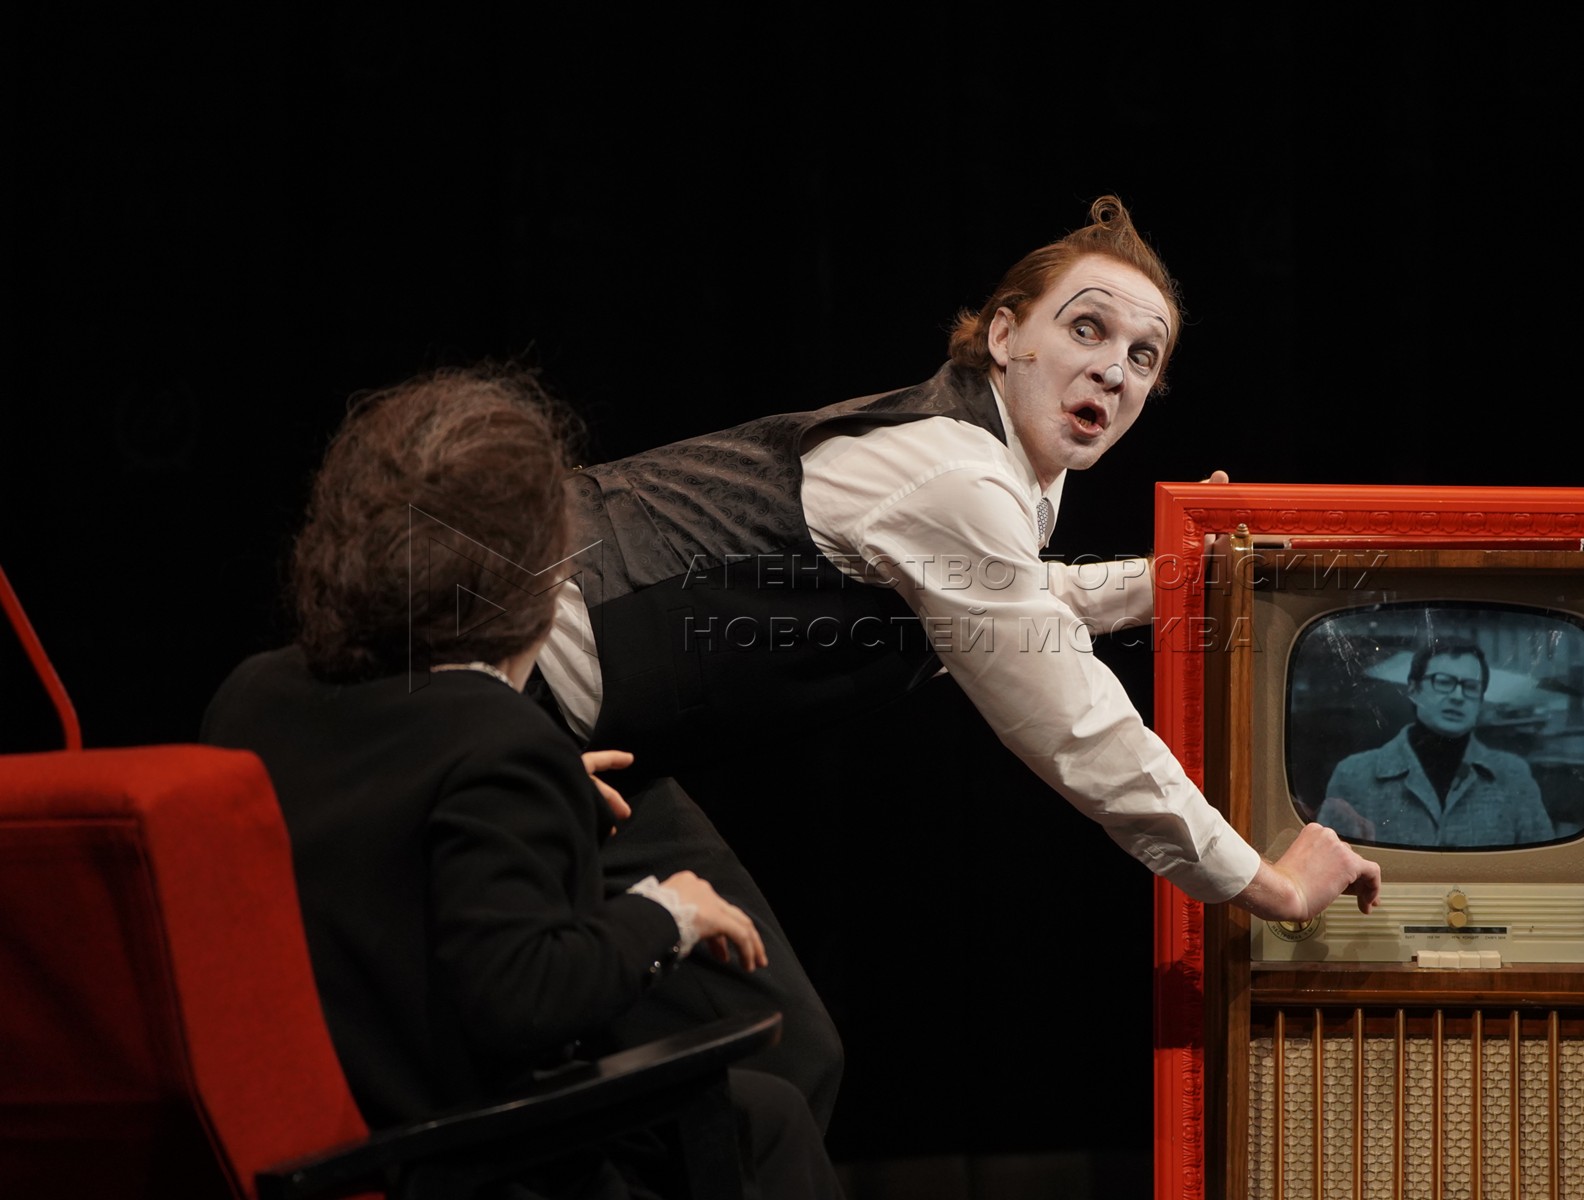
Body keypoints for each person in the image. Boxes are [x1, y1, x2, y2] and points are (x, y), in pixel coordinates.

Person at [530, 196, 1381, 1118]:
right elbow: (1078, 727)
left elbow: (1010, 600)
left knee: (771, 1053)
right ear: (1005, 337)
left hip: (591, 747)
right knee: (720, 1056)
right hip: (503, 694)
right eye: (1087, 328)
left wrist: (1173, 579)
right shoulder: (954, 475)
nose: (1113, 368)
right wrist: (1271, 886)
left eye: (1143, 357)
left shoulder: (984, 476)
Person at [201, 367, 842, 1200]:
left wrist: (523, 801)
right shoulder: (498, 736)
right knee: (765, 1115)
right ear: (540, 571)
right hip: (462, 1153)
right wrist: (667, 913)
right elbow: (524, 1000)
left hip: (323, 1117)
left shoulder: (253, 694)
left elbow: (367, 834)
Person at [1317, 637, 1557, 847]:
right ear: (1413, 689)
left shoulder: (1513, 775)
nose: (1457, 696)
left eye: (1471, 687)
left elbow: (1540, 868)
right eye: (1443, 682)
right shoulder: (1354, 775)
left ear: (1481, 700)